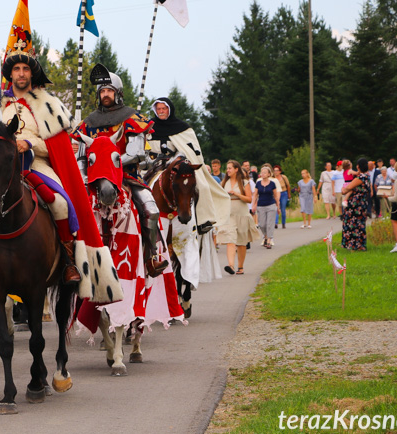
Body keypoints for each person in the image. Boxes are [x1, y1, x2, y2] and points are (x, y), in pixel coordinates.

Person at [0, 35, 118, 303]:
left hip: (35, 164)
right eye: (16, 69)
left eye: (25, 69)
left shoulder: (47, 104)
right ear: (10, 73)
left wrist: (28, 142)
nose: (20, 73)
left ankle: (67, 262)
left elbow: (55, 145)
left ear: (32, 73)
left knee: (62, 204)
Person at [75, 63, 165, 276]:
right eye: (102, 91)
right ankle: (74, 260)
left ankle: (151, 256)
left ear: (118, 93)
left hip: (127, 177)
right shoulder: (88, 124)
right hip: (96, 179)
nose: (106, 95)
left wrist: (110, 163)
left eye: (110, 91)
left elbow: (136, 153)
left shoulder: (131, 118)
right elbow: (80, 157)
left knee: (151, 211)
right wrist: (84, 177)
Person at [148, 97, 230, 236]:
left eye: (164, 108)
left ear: (169, 110)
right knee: (136, 188)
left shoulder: (182, 128)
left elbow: (190, 151)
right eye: (159, 109)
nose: (161, 111)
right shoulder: (148, 126)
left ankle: (203, 221)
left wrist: (177, 160)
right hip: (151, 165)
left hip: (175, 165)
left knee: (202, 186)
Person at [218, 160, 260, 275]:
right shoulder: (224, 182)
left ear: (236, 169)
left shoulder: (244, 182)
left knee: (241, 242)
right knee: (230, 239)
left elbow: (249, 199)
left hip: (242, 214)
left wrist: (236, 194)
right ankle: (230, 265)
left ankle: (240, 267)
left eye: (230, 168)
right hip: (229, 214)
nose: (228, 170)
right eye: (227, 168)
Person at [341, 158, 371, 251]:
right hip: (361, 203)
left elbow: (347, 188)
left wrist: (343, 190)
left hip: (355, 204)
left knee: (352, 224)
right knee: (359, 224)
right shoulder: (367, 176)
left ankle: (354, 246)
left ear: (358, 166)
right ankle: (360, 245)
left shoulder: (360, 177)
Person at [252, 166, 280, 248]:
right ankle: (266, 236)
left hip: (271, 205)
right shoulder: (258, 183)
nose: (262, 174)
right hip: (261, 205)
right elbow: (255, 195)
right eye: (262, 172)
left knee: (269, 224)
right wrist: (253, 204)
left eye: (264, 172)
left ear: (268, 174)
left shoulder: (272, 184)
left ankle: (269, 240)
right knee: (262, 224)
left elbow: (275, 196)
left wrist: (278, 206)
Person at [273, 164, 291, 229]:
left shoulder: (284, 177)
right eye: (275, 171)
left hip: (283, 193)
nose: (276, 172)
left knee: (283, 209)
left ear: (280, 171)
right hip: (276, 194)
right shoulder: (273, 178)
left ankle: (283, 223)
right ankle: (276, 223)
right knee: (276, 208)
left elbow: (288, 186)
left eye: (277, 171)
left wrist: (289, 194)